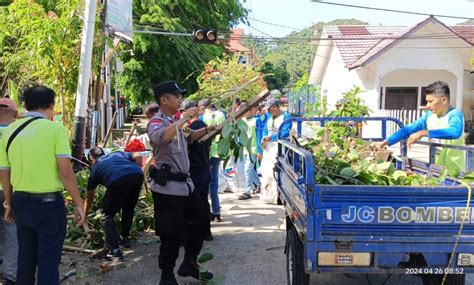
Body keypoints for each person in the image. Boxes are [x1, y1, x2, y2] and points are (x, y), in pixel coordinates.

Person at [0, 85, 85, 285]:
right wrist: (79, 203)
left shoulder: (10, 130)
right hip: (48, 205)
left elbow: (5, 171)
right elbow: (65, 172)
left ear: (25, 106)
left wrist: (9, 203)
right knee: (48, 262)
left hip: (20, 202)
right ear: (51, 105)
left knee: (25, 260)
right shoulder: (54, 129)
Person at [148, 81, 213, 285]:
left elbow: (188, 138)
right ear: (163, 99)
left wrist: (209, 130)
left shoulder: (175, 120)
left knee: (202, 221)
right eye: (176, 96)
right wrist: (185, 118)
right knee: (171, 234)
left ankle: (189, 263)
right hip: (167, 189)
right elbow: (162, 138)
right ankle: (166, 275)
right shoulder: (157, 122)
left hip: (186, 186)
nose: (179, 100)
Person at [380, 81, 465, 177]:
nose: (428, 105)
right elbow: (407, 130)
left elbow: (455, 132)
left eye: (431, 101)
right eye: (427, 101)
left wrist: (424, 132)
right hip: (437, 170)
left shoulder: (454, 114)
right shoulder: (429, 116)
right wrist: (384, 143)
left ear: (444, 100)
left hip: (455, 174)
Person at [85, 147, 144, 260]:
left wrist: (85, 214)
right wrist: (137, 167)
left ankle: (114, 250)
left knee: (106, 216)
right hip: (137, 175)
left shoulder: (95, 168)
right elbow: (138, 155)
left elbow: (90, 197)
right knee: (128, 208)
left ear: (92, 159)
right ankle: (124, 238)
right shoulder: (117, 154)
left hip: (118, 180)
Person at [182, 100, 213, 241]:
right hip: (205, 165)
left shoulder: (191, 128)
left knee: (195, 202)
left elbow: (185, 144)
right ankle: (206, 232)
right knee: (203, 200)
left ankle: (196, 232)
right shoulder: (204, 126)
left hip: (195, 168)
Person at [198, 99, 226, 222]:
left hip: (207, 153)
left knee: (206, 183)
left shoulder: (202, 118)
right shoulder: (221, 115)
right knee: (214, 183)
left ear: (202, 108)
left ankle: (208, 211)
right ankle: (217, 212)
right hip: (218, 151)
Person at [260, 98, 291, 204]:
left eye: (269, 109)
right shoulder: (269, 118)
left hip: (279, 149)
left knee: (276, 173)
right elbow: (265, 130)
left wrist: (271, 138)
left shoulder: (286, 117)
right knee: (266, 172)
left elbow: (285, 133)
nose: (268, 111)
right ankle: (268, 196)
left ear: (275, 107)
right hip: (268, 150)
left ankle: (277, 196)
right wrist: (263, 139)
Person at [0, 98, 18, 285]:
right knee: (12, 231)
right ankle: (10, 276)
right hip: (8, 189)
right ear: (13, 113)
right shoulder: (16, 134)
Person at [238, 103, 262, 200]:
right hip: (244, 148)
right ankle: (261, 184)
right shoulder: (241, 121)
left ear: (252, 110)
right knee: (250, 170)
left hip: (253, 149)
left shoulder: (257, 120)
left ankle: (247, 191)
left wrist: (260, 150)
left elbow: (259, 135)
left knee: (248, 169)